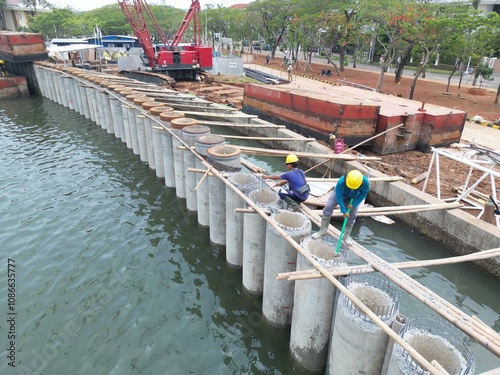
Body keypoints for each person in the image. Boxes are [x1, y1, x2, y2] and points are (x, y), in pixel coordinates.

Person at [312, 170, 370, 245]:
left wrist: (354, 204)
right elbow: (339, 196)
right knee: (328, 207)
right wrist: (343, 210)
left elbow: (363, 194)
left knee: (352, 216)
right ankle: (323, 230)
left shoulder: (365, 182)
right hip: (340, 195)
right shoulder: (341, 181)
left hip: (354, 198)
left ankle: (346, 236)